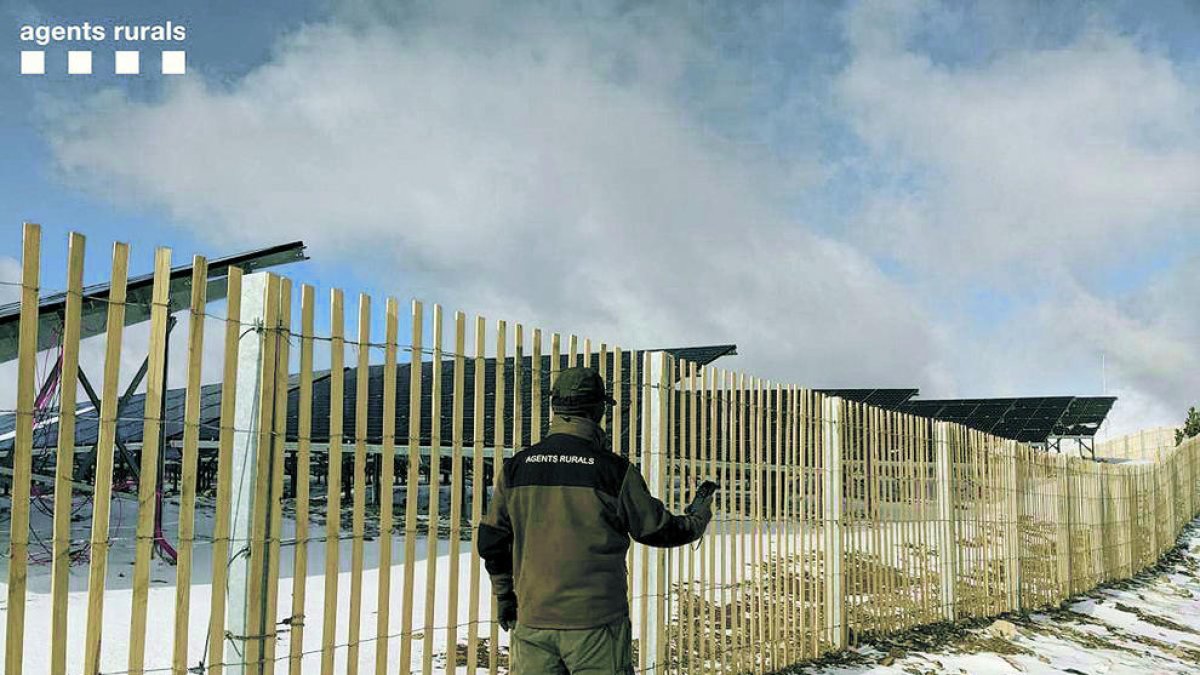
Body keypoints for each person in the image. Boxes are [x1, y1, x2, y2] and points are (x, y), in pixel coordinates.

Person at [476, 365, 715, 675]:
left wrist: (505, 596)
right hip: (596, 625)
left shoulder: (516, 468)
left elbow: (492, 539)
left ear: (555, 407)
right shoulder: (613, 471)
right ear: (598, 410)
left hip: (533, 621)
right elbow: (657, 529)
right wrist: (698, 517)